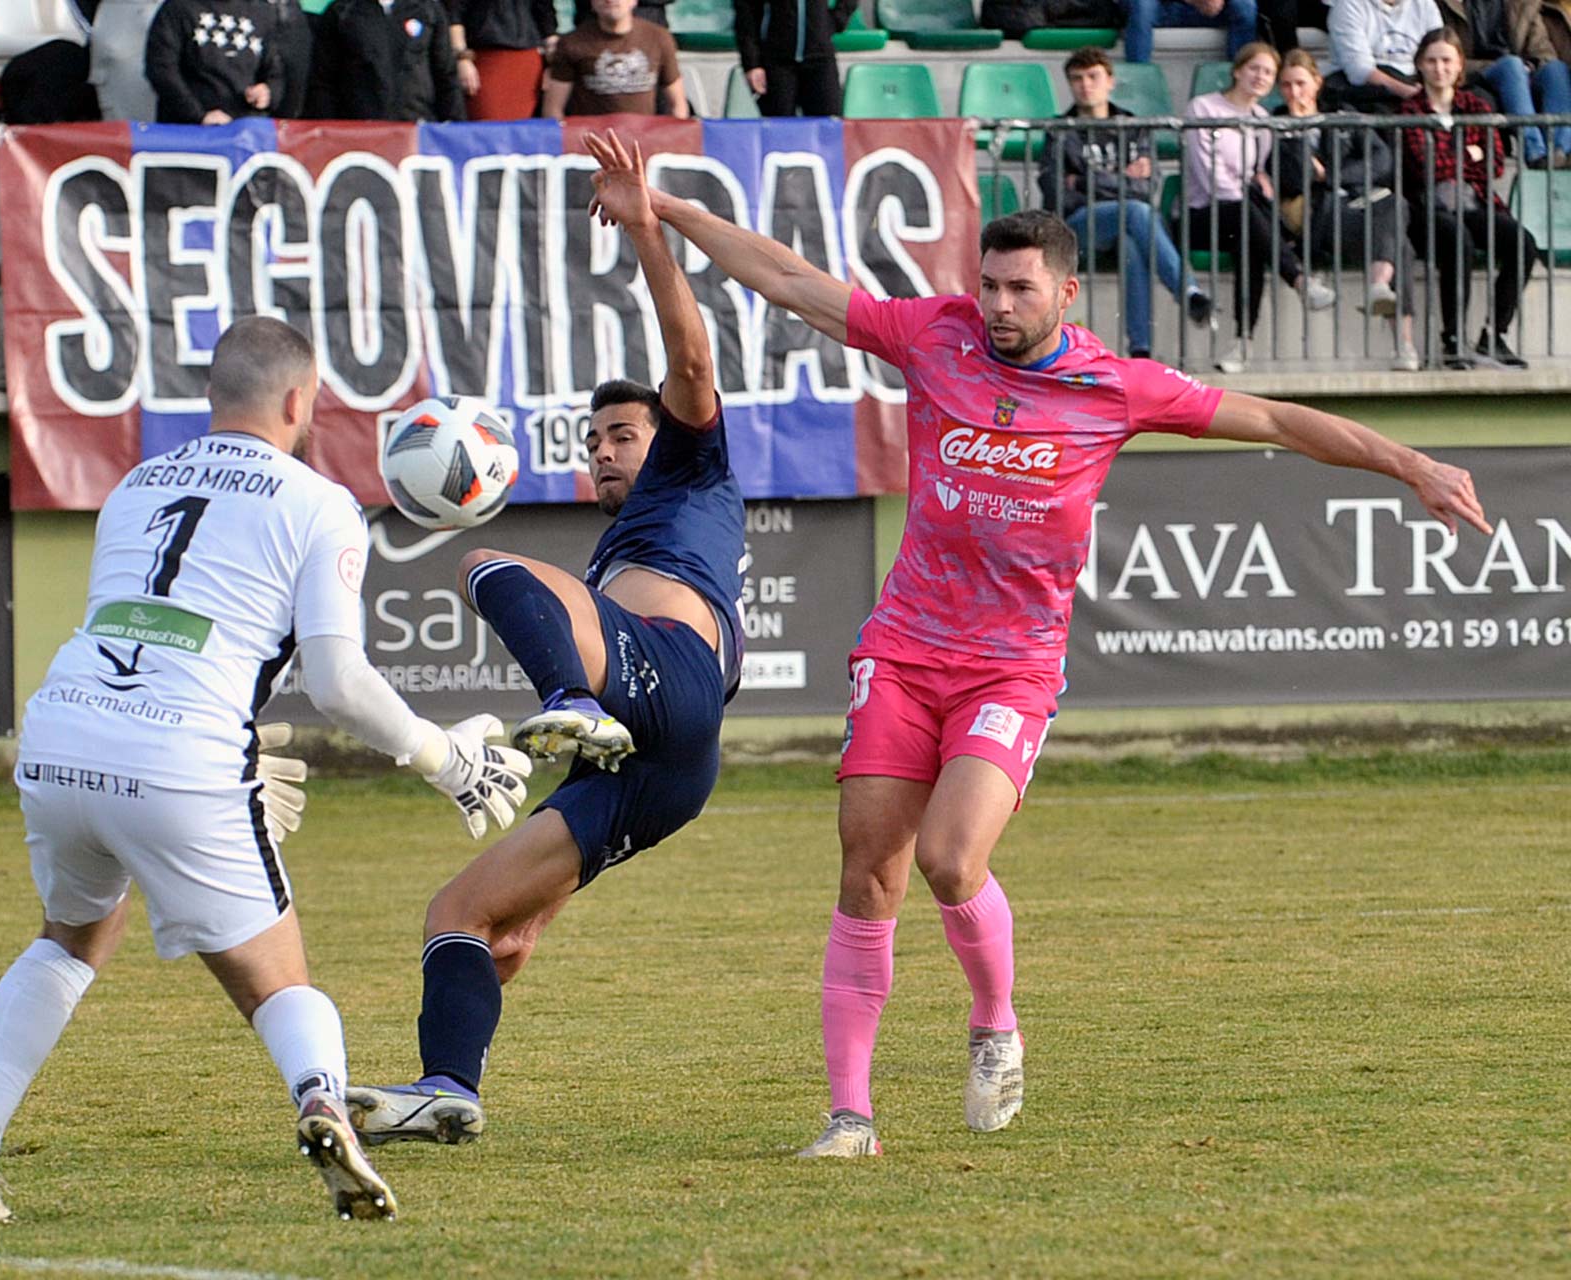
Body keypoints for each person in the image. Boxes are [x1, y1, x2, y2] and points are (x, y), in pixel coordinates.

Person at [597, 169, 1489, 1157]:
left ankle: (995, 1021)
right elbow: (794, 283)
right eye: (989, 285)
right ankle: (850, 1117)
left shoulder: (1119, 385)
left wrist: (1413, 463)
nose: (998, 306)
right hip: (903, 648)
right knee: (868, 872)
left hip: (1011, 668)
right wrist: (672, 213)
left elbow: (1278, 420)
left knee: (949, 857)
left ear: (1067, 293)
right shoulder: (934, 335)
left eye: (1020, 289)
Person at [0, 317, 534, 1225]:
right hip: (181, 759)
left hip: (61, 735)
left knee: (69, 940)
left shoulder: (134, 484)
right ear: (299, 401)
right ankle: (325, 1103)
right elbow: (337, 683)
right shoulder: (318, 501)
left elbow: (149, 633)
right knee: (279, 983)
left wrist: (231, 752)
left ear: (214, 397)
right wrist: (447, 761)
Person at [346, 131, 745, 1148]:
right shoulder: (615, 550)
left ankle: (569, 702)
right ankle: (449, 1084)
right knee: (464, 913)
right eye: (595, 439)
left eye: (623, 434)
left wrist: (647, 227)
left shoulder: (693, 471)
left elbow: (690, 355)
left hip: (670, 687)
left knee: (492, 567)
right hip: (663, 766)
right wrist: (551, 899)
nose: (606, 449)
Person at [1037, 45, 1217, 359]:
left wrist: (1084, 179)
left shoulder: (1132, 127)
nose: (1085, 85)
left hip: (1124, 222)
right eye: (1077, 79)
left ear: (1110, 81)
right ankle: (1188, 291)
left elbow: (1149, 189)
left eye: (1093, 77)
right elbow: (1057, 194)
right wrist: (1122, 179)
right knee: (1134, 211)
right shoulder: (1060, 131)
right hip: (1077, 228)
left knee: (1134, 243)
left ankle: (1140, 350)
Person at [1183, 42, 1336, 373]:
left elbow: (1256, 170)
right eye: (1254, 68)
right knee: (1245, 212)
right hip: (1202, 213)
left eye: (1268, 72)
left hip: (1239, 217)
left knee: (1249, 241)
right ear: (1237, 70)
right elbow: (1208, 174)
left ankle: (1241, 342)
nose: (1260, 76)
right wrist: (1248, 189)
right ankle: (1297, 278)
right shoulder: (1203, 108)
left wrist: (1260, 177)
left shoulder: (1263, 120)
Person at [1271, 48, 1423, 369]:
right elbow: (1293, 180)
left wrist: (1330, 175)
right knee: (1398, 238)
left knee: (1397, 220)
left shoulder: (1343, 117)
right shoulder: (1276, 128)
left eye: (1301, 83)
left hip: (1362, 212)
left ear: (1317, 82)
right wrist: (1297, 133)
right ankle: (1399, 333)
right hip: (1320, 220)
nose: (1294, 92)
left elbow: (1381, 162)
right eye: (1286, 85)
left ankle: (1396, 326)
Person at [1402, 26, 1544, 366]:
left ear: (1459, 65)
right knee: (1457, 239)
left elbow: (1494, 163)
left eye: (1446, 60)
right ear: (1420, 64)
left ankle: (1493, 335)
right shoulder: (1409, 111)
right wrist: (1470, 152)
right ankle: (1452, 340)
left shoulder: (1475, 105)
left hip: (1474, 202)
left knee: (1522, 243)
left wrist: (1455, 155)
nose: (1439, 68)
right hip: (1428, 209)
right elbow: (1426, 166)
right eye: (1432, 60)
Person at [1435, 0, 1571, 167]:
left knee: (1555, 69)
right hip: (1475, 73)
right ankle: (1536, 153)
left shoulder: (1521, 4)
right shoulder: (1447, 5)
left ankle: (1561, 150)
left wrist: (1533, 65)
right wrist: (1502, 66)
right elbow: (1445, 55)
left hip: (1520, 72)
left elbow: (1541, 48)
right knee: (1511, 65)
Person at [306, 0, 465, 121]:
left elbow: (446, 76)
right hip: (360, 132)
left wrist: (455, 130)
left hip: (417, 130)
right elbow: (322, 83)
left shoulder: (428, 9)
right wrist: (329, 132)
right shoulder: (342, 12)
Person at [145, 0, 292, 123]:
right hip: (187, 133)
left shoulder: (262, 11)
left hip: (246, 133)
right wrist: (198, 115)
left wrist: (268, 93)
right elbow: (161, 69)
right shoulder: (178, 8)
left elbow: (276, 71)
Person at [543, 0, 688, 117]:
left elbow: (678, 105)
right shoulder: (571, 43)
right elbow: (553, 110)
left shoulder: (659, 38)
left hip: (644, 140)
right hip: (591, 143)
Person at [734, 0, 859, 116]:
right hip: (777, 62)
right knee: (779, 130)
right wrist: (752, 63)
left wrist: (834, 21)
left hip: (821, 60)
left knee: (827, 128)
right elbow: (746, 13)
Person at [449, 0, 557, 120]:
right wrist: (462, 58)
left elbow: (546, 16)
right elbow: (454, 15)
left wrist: (553, 63)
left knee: (519, 129)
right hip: (485, 58)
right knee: (487, 126)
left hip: (527, 60)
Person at [1324, 0, 1441, 110]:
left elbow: (1440, 50)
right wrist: (1411, 94)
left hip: (1417, 84)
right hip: (1367, 94)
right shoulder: (1347, 5)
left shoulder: (1426, 4)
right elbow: (1359, 71)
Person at [1122, 0, 1259, 64]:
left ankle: (1242, 72)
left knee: (1245, 6)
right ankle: (1138, 77)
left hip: (1212, 10)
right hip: (1163, 8)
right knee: (1141, 5)